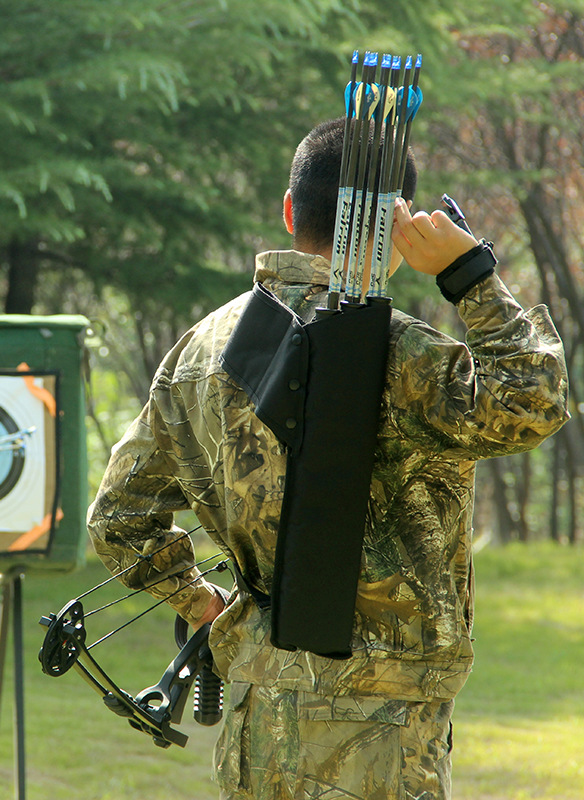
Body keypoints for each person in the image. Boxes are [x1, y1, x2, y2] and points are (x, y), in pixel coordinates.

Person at [86, 117, 569, 799]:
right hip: (384, 731)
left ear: (290, 211)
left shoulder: (202, 347)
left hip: (256, 721)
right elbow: (535, 399)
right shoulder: (402, 354)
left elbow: (117, 519)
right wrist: (470, 272)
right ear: (400, 223)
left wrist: (201, 605)